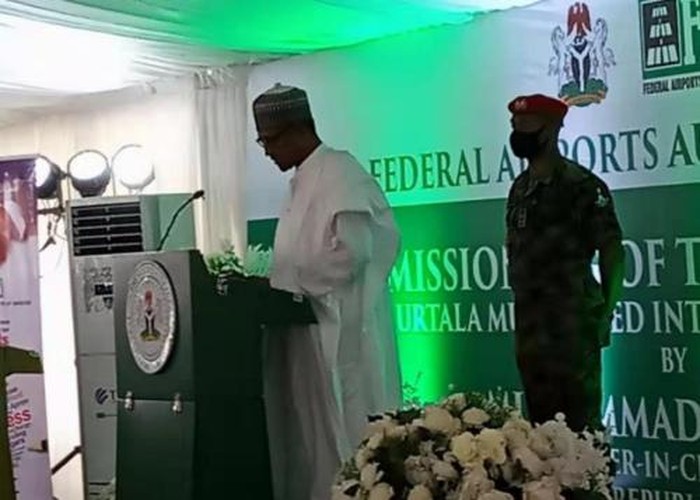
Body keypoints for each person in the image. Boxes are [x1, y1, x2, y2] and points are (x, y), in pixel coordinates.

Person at [251, 83, 402, 500]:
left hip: (339, 335)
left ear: (299, 129)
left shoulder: (340, 173)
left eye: (269, 140)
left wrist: (287, 283)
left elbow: (352, 254)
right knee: (310, 445)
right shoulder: (302, 179)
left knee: (345, 442)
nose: (266, 151)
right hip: (306, 333)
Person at [505, 94, 624, 432]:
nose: (518, 132)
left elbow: (612, 251)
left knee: (581, 431)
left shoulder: (582, 186)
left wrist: (605, 314)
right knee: (540, 434)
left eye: (527, 125)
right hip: (530, 331)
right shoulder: (519, 188)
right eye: (515, 125)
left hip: (572, 329)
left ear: (553, 128)